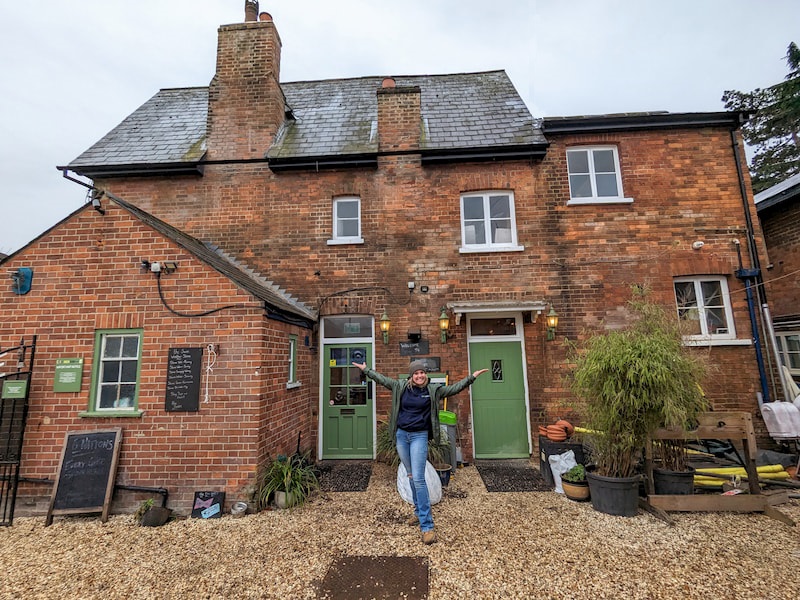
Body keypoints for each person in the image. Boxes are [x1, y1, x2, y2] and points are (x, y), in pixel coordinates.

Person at [352, 359, 488, 545]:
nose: (420, 376)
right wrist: (365, 369)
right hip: (402, 436)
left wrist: (472, 377)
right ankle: (418, 512)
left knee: (418, 478)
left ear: (426, 375)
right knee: (410, 476)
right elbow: (381, 379)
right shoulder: (400, 387)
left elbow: (454, 389)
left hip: (419, 437)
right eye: (416, 373)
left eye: (422, 373)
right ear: (411, 375)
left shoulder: (433, 390)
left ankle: (427, 526)